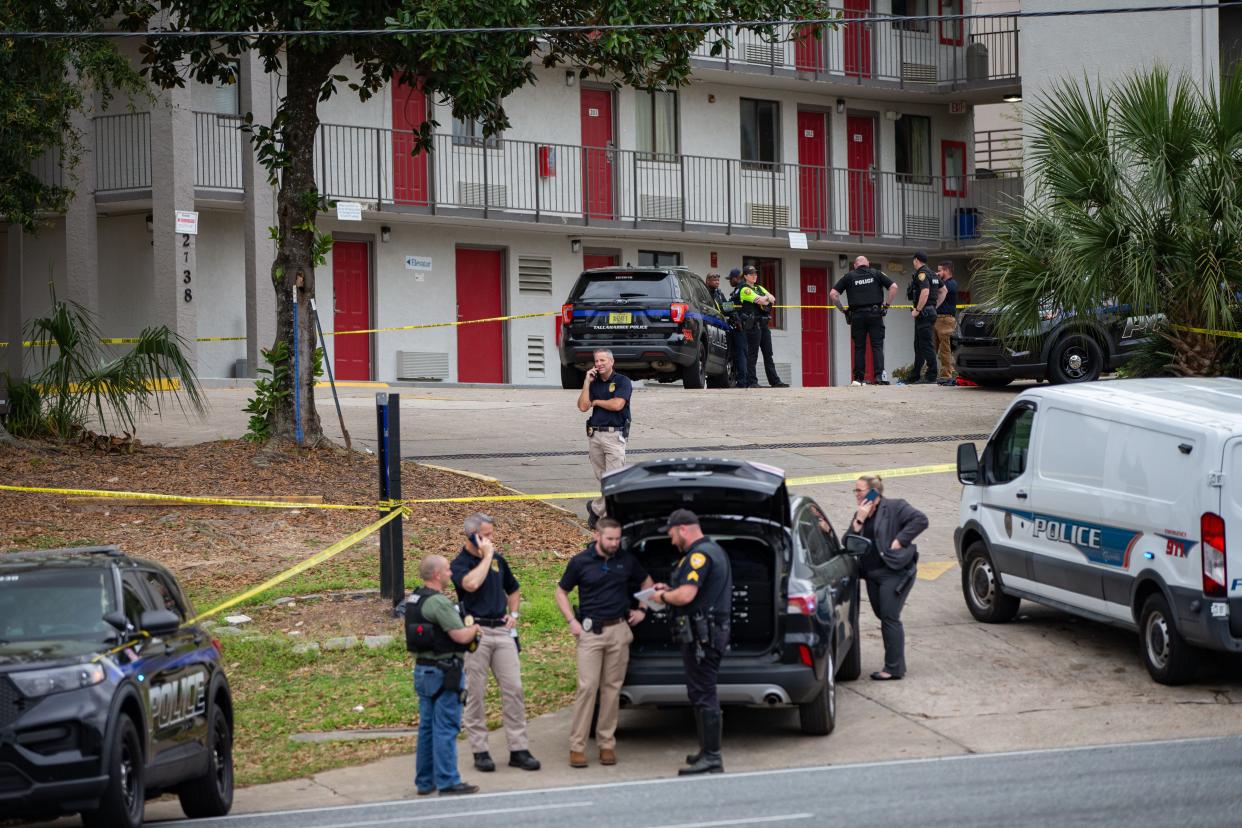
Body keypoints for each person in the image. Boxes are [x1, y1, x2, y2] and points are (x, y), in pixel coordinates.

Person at [554, 517, 654, 768]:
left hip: (619, 629)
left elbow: (647, 582)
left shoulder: (626, 560)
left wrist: (642, 608)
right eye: (610, 539)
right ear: (597, 536)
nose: (614, 543)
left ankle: (606, 744)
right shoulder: (580, 562)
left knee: (612, 689)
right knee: (588, 687)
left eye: (618, 539)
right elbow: (561, 591)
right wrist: (571, 621)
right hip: (591, 632)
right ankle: (577, 747)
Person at [450, 513, 541, 773]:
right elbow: (470, 584)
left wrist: (513, 615)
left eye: (491, 534)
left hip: (501, 632)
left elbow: (513, 588)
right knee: (476, 694)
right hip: (475, 632)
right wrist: (487, 556)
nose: (491, 540)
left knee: (514, 689)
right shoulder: (460, 564)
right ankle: (480, 750)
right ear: (472, 536)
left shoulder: (499, 561)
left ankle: (518, 748)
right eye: (486, 535)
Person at [651, 509, 732, 775]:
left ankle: (713, 756)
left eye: (672, 534)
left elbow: (686, 595)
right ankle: (706, 751)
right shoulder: (712, 551)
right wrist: (669, 590)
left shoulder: (698, 556)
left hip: (703, 637)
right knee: (699, 691)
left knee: (704, 692)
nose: (672, 540)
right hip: (707, 633)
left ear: (683, 529)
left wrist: (662, 598)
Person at [406, 555, 482, 796]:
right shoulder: (438, 602)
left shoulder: (415, 598)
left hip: (423, 670)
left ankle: (425, 781)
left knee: (427, 728)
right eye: (448, 570)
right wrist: (474, 628)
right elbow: (460, 636)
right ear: (437, 575)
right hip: (444, 672)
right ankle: (448, 780)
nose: (451, 574)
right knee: (446, 727)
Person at [844, 475, 928, 681]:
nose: (856, 495)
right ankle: (897, 662)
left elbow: (920, 520)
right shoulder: (861, 515)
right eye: (855, 491)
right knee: (883, 615)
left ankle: (893, 668)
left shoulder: (894, 507)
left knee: (890, 617)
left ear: (874, 493)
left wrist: (900, 540)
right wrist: (858, 521)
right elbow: (847, 543)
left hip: (894, 572)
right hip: (872, 575)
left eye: (860, 490)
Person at [577, 349, 632, 527]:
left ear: (611, 361)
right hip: (595, 435)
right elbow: (583, 406)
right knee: (603, 480)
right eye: (596, 361)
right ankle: (599, 511)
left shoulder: (622, 381)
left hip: (614, 435)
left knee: (614, 480)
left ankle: (600, 514)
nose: (599, 364)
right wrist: (587, 382)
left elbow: (617, 405)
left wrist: (597, 402)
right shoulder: (593, 383)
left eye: (602, 360)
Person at [829, 256, 898, 386]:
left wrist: (844, 311)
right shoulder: (876, 273)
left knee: (859, 347)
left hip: (857, 316)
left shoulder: (849, 276)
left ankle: (858, 379)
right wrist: (886, 306)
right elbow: (894, 287)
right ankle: (879, 377)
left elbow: (833, 294)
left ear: (855, 265)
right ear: (868, 264)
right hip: (875, 314)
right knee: (877, 346)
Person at [739, 265, 787, 388]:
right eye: (751, 274)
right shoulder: (745, 290)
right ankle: (752, 381)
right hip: (753, 325)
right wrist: (765, 298)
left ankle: (775, 381)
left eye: (755, 274)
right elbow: (760, 301)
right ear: (745, 276)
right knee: (752, 354)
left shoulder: (759, 287)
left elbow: (773, 299)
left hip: (764, 324)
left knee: (768, 353)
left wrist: (765, 298)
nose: (754, 276)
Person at [907, 252, 941, 384]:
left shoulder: (922, 273)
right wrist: (934, 306)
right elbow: (943, 291)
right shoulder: (933, 273)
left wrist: (918, 310)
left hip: (923, 313)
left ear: (916, 260)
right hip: (929, 311)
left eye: (913, 261)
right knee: (919, 345)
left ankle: (931, 375)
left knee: (926, 345)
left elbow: (925, 291)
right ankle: (915, 375)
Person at [933, 261, 959, 385]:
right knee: (932, 348)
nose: (938, 273)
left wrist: (934, 279)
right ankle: (930, 374)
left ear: (947, 270)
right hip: (938, 318)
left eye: (940, 270)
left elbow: (942, 291)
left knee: (945, 349)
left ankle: (946, 375)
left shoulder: (951, 284)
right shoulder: (944, 283)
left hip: (945, 319)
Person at [726, 269, 750, 386]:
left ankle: (742, 381)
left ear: (736, 278)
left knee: (741, 353)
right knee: (738, 353)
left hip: (740, 326)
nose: (730, 281)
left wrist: (721, 305)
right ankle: (740, 379)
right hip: (737, 326)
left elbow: (733, 306)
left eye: (730, 279)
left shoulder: (742, 289)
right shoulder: (738, 289)